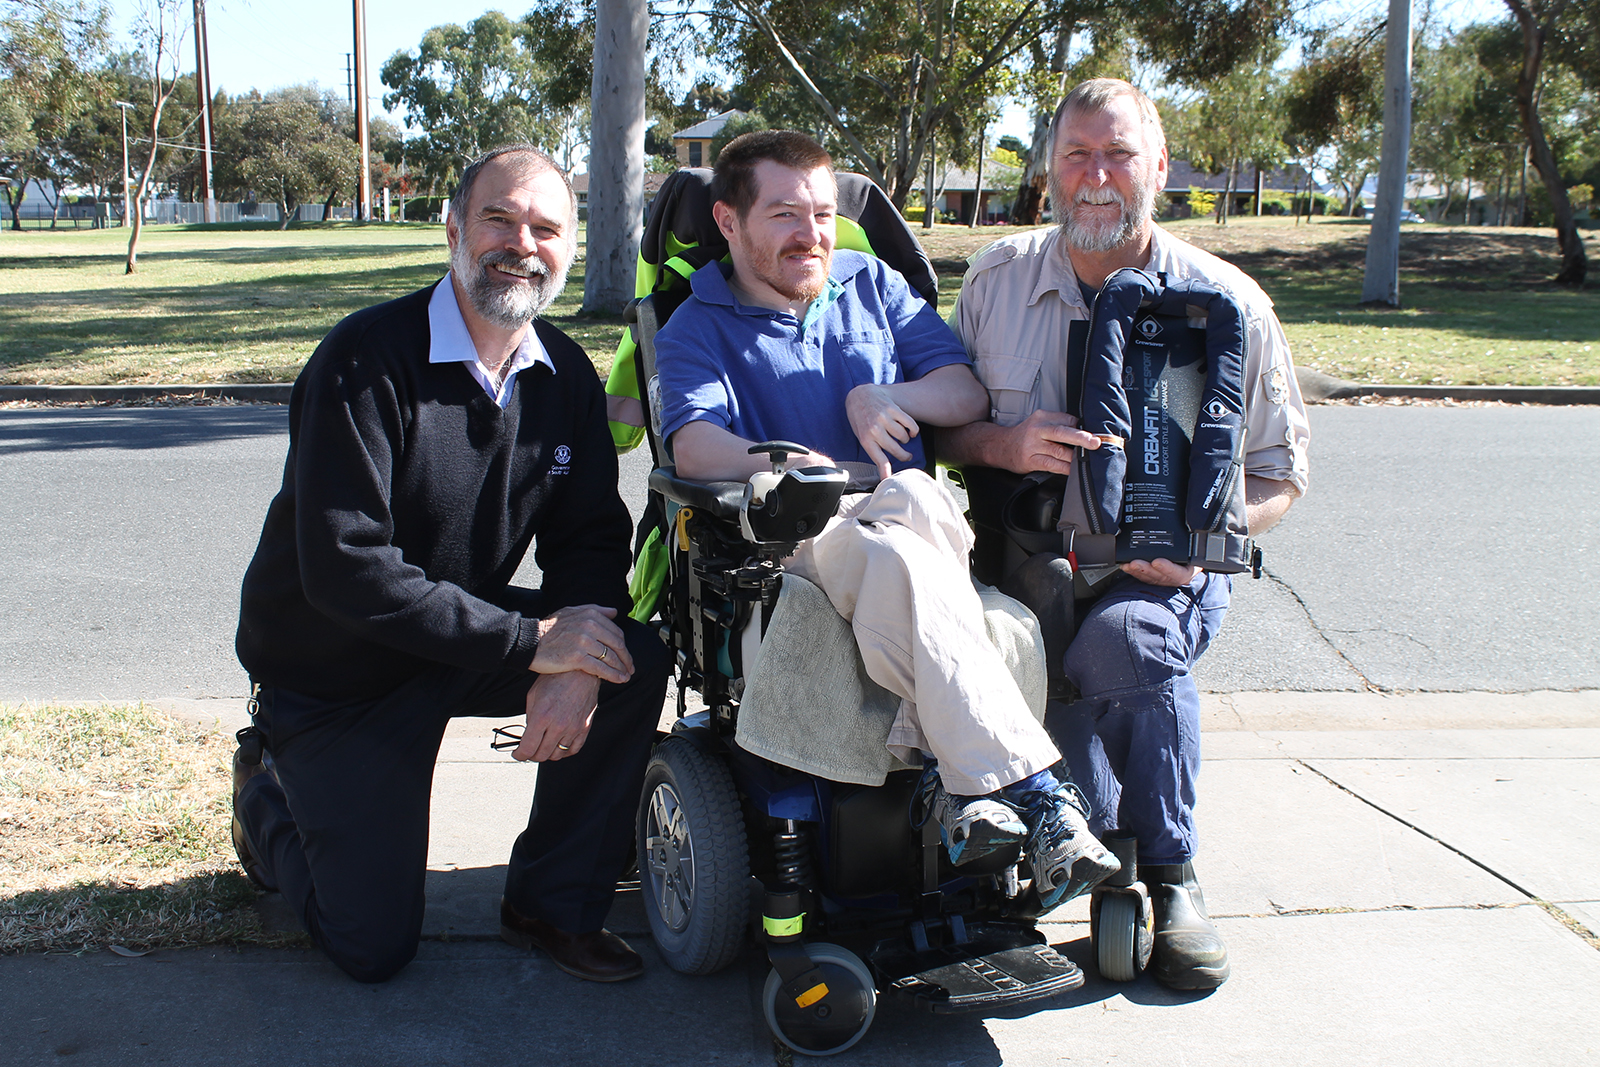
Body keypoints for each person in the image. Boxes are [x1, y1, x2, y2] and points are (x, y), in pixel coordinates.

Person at [231, 144, 669, 985]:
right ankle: (266, 794)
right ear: (453, 230)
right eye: (499, 218)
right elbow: (345, 567)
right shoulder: (363, 363)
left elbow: (588, 538)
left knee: (630, 659)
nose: (522, 242)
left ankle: (551, 902)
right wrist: (530, 641)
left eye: (546, 226)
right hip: (338, 677)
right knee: (371, 947)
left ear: (571, 249)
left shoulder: (563, 376)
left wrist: (576, 663)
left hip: (460, 642)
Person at [651, 130, 1119, 912]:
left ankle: (969, 790)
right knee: (901, 545)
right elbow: (694, 447)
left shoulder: (871, 283)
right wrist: (782, 463)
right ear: (729, 223)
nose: (813, 234)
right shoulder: (695, 323)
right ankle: (1035, 789)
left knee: (921, 507)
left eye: (824, 213)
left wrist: (887, 397)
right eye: (786, 214)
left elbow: (962, 392)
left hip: (904, 525)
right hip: (792, 535)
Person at [942, 78, 1312, 990]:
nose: (1096, 177)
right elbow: (942, 432)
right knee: (1070, 734)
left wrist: (1200, 537)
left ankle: (1176, 876)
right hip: (1028, 562)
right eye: (1077, 155)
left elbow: (1281, 473)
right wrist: (1002, 439)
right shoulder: (995, 281)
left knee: (1127, 641)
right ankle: (1113, 846)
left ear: (1158, 166)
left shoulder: (1227, 304)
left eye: (1118, 155)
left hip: (1161, 571)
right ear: (1049, 169)